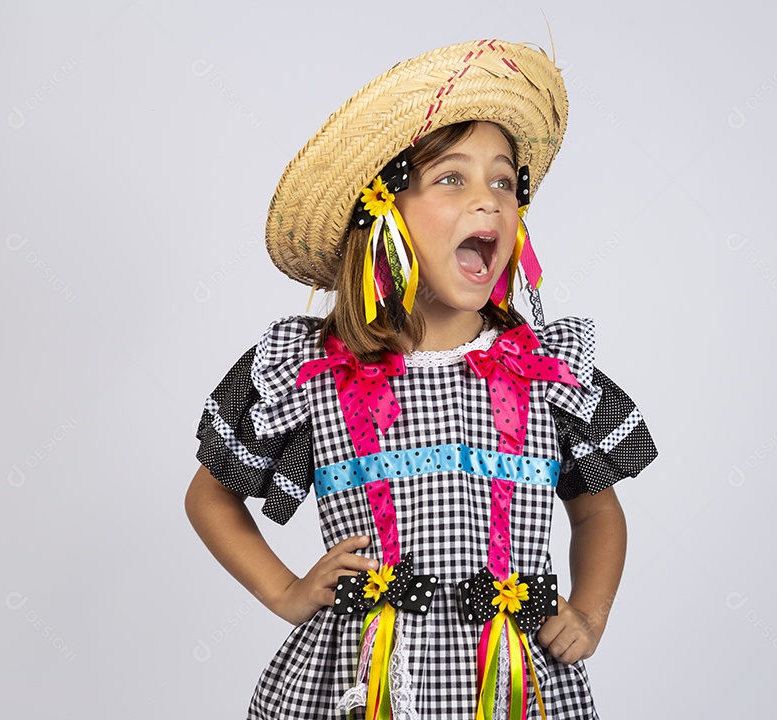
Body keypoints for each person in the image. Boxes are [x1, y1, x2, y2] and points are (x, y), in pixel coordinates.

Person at [185, 39, 657, 720]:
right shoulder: (316, 372)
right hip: (365, 683)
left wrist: (589, 613)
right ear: (384, 216)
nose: (489, 202)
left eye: (504, 181)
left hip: (510, 687)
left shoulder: (544, 372)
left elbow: (596, 510)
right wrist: (288, 592)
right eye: (451, 179)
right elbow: (210, 498)